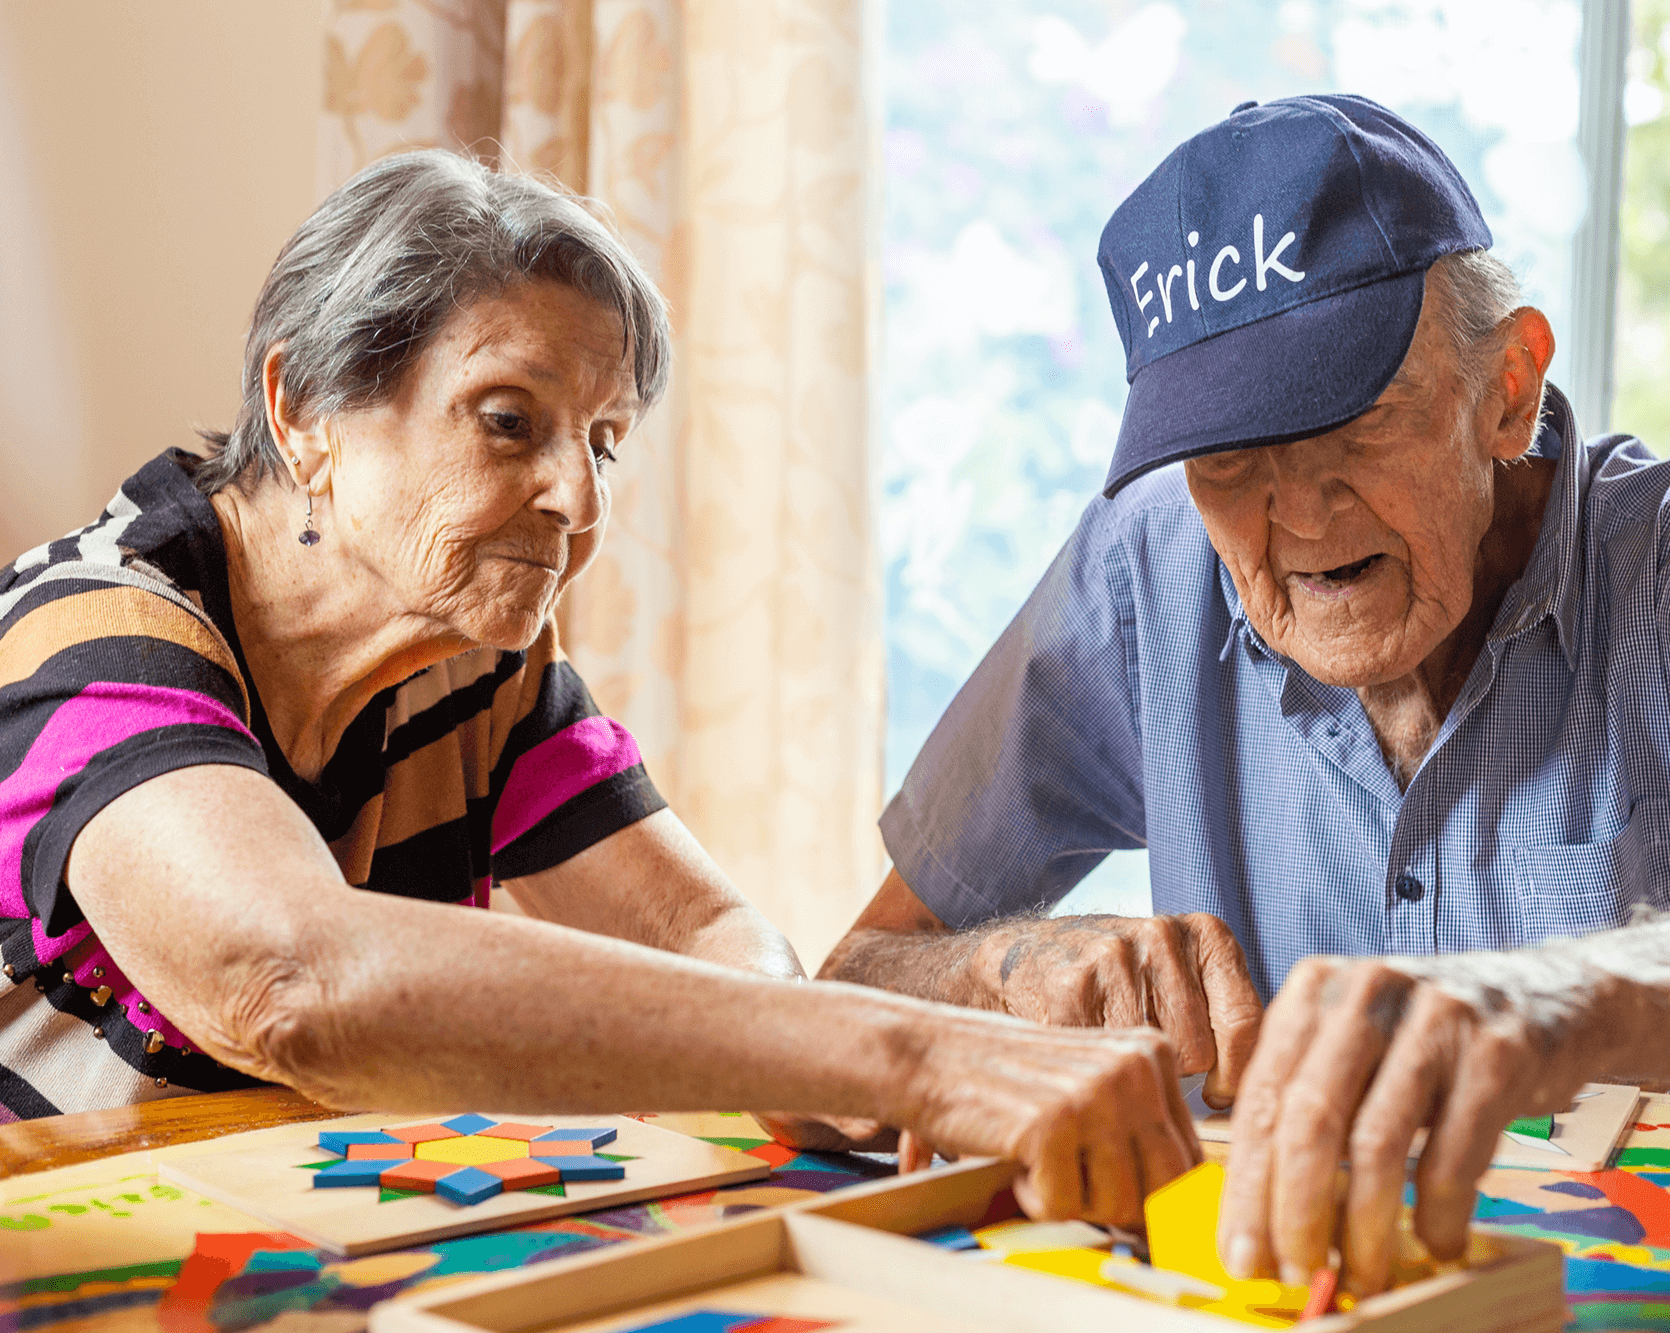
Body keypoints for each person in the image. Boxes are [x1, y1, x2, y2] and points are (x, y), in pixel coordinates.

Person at [820, 96, 1670, 1290]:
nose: (1301, 517)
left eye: (1353, 421)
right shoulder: (1140, 566)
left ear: (1506, 389)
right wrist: (998, 972)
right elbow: (845, 991)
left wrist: (1548, 1001)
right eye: (1226, 458)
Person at [0, 150, 1199, 1223]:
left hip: (292, 1241)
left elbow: (707, 935)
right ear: (304, 410)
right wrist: (910, 1054)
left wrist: (823, 1070)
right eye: (509, 422)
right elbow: (286, 977)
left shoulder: (480, 662)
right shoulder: (87, 629)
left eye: (605, 441)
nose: (579, 502)